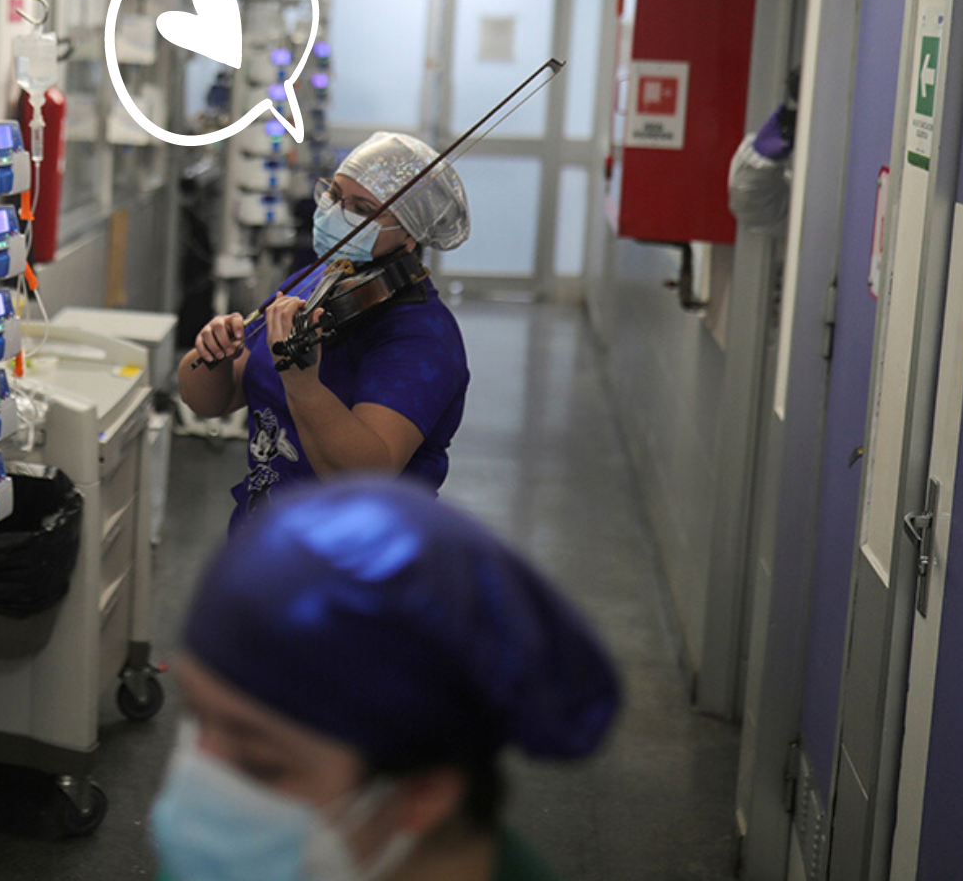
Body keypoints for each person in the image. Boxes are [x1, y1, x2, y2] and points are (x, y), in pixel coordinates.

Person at [150, 476, 621, 881]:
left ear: (422, 792)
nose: (197, 783)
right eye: (194, 718)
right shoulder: (217, 865)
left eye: (260, 763)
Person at [177, 131, 471, 528]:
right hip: (265, 531)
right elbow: (212, 401)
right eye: (334, 195)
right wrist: (213, 354)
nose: (337, 214)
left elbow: (365, 476)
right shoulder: (318, 278)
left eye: (362, 209)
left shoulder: (422, 337)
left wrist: (302, 382)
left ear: (409, 237)